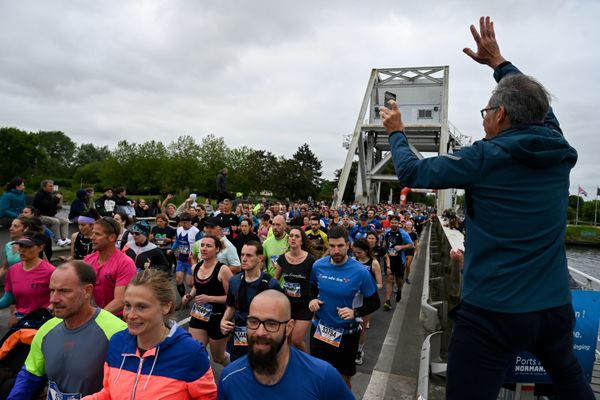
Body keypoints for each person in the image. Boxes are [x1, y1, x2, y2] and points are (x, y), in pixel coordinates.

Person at [380, 16, 595, 399]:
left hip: (494, 311)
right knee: (570, 380)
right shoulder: (558, 146)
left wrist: (396, 131)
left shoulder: (485, 157)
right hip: (553, 306)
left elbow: (412, 170)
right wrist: (499, 63)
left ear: (500, 116)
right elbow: (537, 106)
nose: (483, 122)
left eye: (485, 113)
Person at [82, 269, 218, 399]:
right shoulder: (117, 342)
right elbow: (109, 393)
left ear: (166, 306)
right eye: (127, 305)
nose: (131, 315)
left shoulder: (191, 352)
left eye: (142, 307)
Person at [8, 261, 127, 399]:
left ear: (87, 291)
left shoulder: (117, 332)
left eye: (64, 291)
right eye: (52, 290)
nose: (53, 299)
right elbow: (29, 378)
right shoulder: (47, 329)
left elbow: (127, 388)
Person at [217, 290, 354, 400]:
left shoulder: (323, 376)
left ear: (289, 327)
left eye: (271, 324)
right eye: (253, 321)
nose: (260, 332)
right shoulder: (229, 378)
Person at [308, 226, 380, 387]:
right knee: (318, 377)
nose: (336, 250)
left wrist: (355, 312)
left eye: (340, 246)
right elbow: (312, 288)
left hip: (347, 334)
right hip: (320, 330)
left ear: (348, 245)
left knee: (343, 380)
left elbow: (375, 301)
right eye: (332, 246)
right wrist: (311, 300)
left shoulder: (361, 272)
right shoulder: (318, 265)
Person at [220, 242, 282, 361]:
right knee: (238, 369)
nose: (243, 258)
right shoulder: (234, 281)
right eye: (242, 254)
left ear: (260, 258)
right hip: (240, 335)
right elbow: (231, 307)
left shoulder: (271, 284)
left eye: (249, 255)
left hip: (262, 335)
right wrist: (223, 321)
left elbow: (280, 316)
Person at [182, 234, 233, 366]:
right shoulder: (196, 268)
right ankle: (203, 380)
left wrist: (210, 298)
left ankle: (235, 370)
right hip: (198, 316)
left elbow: (232, 298)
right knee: (195, 353)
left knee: (218, 358)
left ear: (217, 249)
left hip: (217, 318)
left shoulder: (223, 270)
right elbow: (197, 286)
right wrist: (190, 296)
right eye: (202, 245)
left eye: (208, 246)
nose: (204, 249)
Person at [274, 227, 315, 351]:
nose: (293, 238)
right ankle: (291, 361)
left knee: (296, 340)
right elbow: (276, 279)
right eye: (291, 236)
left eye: (297, 236)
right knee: (287, 339)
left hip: (304, 305)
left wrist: (314, 302)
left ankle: (307, 362)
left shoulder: (310, 260)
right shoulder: (282, 258)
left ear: (302, 241)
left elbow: (315, 283)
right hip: (287, 304)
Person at [84, 217, 137, 315]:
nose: (92, 237)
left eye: (97, 234)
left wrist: (94, 319)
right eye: (93, 233)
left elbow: (120, 300)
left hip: (119, 320)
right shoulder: (88, 260)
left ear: (112, 237)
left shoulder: (125, 263)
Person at [0, 231, 55, 325]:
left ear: (40, 248)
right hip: (20, 319)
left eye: (28, 247)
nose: (22, 250)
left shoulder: (51, 271)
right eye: (21, 246)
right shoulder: (13, 270)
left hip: (43, 321)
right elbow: (8, 298)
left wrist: (46, 314)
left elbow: (61, 298)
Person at [351, 238, 383, 365]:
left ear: (366, 251)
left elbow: (380, 284)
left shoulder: (374, 263)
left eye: (359, 252)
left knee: (362, 327)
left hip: (365, 300)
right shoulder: (353, 261)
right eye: (355, 252)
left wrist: (367, 287)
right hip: (353, 297)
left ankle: (359, 350)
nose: (357, 255)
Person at [382, 215, 413, 310]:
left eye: (395, 222)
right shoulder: (387, 232)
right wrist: (384, 252)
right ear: (390, 223)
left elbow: (411, 245)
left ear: (398, 223)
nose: (394, 224)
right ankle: (387, 301)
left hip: (399, 260)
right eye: (392, 222)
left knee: (399, 280)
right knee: (389, 278)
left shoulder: (403, 233)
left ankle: (399, 290)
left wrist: (401, 247)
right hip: (389, 259)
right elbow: (385, 243)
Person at [169, 212, 199, 301]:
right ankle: (183, 300)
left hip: (191, 260)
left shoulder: (196, 231)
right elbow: (177, 241)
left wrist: (196, 256)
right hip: (181, 258)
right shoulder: (179, 230)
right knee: (178, 280)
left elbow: (200, 244)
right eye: (182, 222)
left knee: (190, 283)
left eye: (186, 222)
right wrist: (172, 249)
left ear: (190, 222)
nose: (183, 224)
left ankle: (198, 293)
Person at [32, 179, 70, 246]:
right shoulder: (39, 195)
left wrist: (57, 201)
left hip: (50, 216)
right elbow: (47, 205)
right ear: (44, 187)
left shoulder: (49, 194)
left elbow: (53, 206)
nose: (52, 188)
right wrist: (56, 199)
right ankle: (57, 240)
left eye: (52, 186)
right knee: (56, 221)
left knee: (65, 221)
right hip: (40, 216)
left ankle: (64, 239)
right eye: (50, 186)